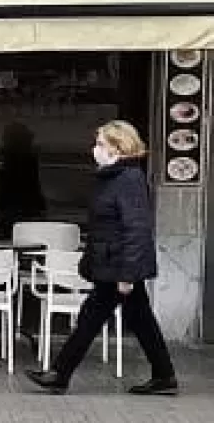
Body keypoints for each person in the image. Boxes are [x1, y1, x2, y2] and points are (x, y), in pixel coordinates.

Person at [26, 120, 177, 396]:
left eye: (100, 145)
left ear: (117, 149)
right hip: (111, 262)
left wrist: (128, 274)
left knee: (90, 318)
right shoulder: (113, 177)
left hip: (117, 266)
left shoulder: (128, 180)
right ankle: (164, 375)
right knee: (140, 319)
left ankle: (60, 374)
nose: (94, 149)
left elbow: (136, 228)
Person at [0, 122, 46, 232]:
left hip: (17, 214)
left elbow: (13, 190)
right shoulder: (27, 161)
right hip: (22, 213)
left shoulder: (17, 162)